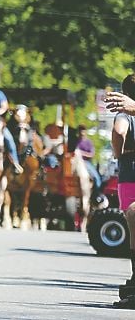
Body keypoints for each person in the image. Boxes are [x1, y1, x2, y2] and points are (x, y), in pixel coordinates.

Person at [102, 74, 135, 309]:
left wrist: (118, 153)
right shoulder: (125, 112)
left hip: (128, 170)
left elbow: (118, 131)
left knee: (132, 217)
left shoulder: (125, 113)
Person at [74, 125, 103, 195]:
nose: (81, 133)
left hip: (85, 161)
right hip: (76, 160)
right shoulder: (75, 142)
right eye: (80, 131)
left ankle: (97, 193)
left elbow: (91, 154)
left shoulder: (89, 142)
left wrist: (81, 153)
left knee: (96, 177)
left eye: (83, 131)